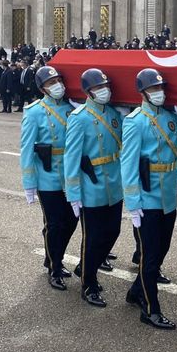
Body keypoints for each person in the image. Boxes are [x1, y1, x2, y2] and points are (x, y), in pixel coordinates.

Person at [121, 69, 177, 330]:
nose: (160, 93)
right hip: (147, 198)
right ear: (143, 93)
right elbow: (128, 165)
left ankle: (135, 292)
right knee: (149, 255)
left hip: (168, 197)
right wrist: (133, 203)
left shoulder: (170, 118)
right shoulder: (135, 122)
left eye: (161, 88)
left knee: (161, 250)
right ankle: (149, 307)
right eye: (154, 89)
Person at [64, 68, 124, 307]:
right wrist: (73, 193)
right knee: (93, 237)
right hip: (92, 186)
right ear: (88, 92)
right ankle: (88, 284)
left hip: (114, 183)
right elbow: (71, 157)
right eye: (99, 87)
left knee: (113, 231)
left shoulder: (113, 114)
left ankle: (85, 267)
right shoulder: (79, 118)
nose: (105, 91)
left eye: (106, 86)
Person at [20, 66, 77, 291]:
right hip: (48, 175)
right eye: (51, 83)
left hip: (71, 175)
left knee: (71, 221)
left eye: (59, 81)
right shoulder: (35, 111)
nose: (57, 86)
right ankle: (54, 267)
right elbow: (27, 149)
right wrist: (29, 182)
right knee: (54, 223)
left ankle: (54, 256)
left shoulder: (72, 108)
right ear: (43, 88)